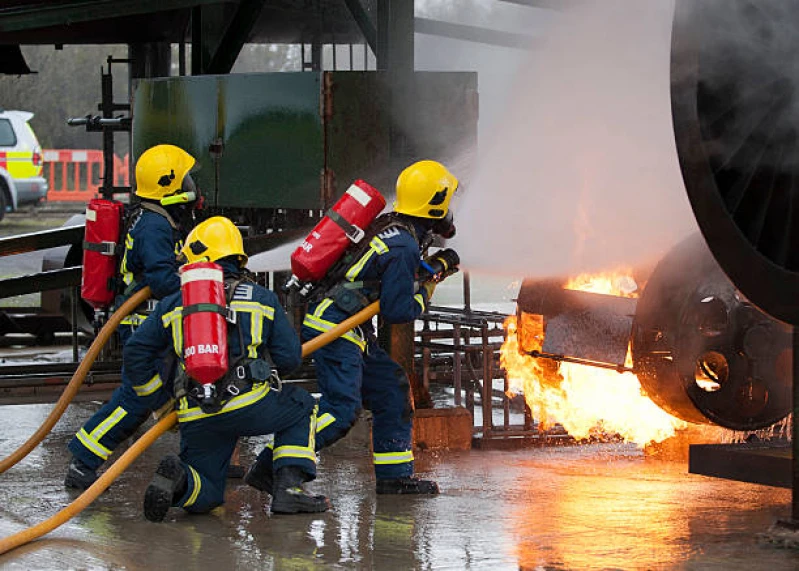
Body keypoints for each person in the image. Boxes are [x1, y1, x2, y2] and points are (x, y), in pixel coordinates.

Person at [245, 159, 459, 496]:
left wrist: (427, 270)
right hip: (335, 327)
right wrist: (430, 285)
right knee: (341, 411)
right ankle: (272, 464)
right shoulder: (403, 244)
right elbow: (398, 309)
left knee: (390, 389)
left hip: (349, 327)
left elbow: (384, 275)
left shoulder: (393, 227)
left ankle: (394, 476)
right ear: (435, 206)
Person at [130, 216, 328, 521]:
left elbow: (135, 352)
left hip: (196, 413)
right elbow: (290, 358)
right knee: (302, 405)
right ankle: (288, 489)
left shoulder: (175, 302)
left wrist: (160, 400)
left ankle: (182, 481)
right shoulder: (262, 298)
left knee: (207, 492)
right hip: (250, 405)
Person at [65, 144, 203, 490]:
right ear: (168, 184)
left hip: (150, 325)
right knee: (137, 398)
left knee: (179, 392)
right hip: (143, 327)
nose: (191, 184)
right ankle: (83, 459)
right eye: (185, 178)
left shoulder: (153, 218)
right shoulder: (154, 226)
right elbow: (162, 281)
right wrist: (200, 285)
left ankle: (202, 461)